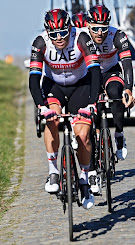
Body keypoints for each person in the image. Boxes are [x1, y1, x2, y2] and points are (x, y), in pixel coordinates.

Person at [29, 9, 102, 209]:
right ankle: (53, 171)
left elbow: (95, 72)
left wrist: (92, 103)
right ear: (47, 33)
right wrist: (41, 107)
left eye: (63, 32)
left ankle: (85, 178)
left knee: (84, 135)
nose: (59, 38)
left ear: (70, 27)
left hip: (81, 85)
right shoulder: (40, 43)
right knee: (51, 119)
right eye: (54, 35)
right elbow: (34, 79)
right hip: (54, 86)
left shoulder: (81, 37)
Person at [84, 5, 135, 194]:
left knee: (116, 92)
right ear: (87, 25)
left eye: (103, 28)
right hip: (89, 75)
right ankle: (92, 170)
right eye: (95, 28)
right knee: (90, 119)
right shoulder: (81, 37)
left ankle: (119, 134)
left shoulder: (118, 36)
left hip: (111, 72)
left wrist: (128, 89)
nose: (99, 33)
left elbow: (127, 65)